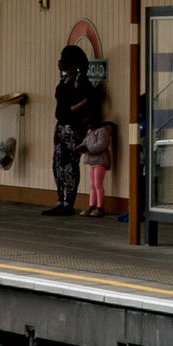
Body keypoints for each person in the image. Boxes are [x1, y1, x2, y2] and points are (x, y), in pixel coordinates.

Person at [43, 44, 102, 218]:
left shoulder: (80, 80)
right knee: (57, 164)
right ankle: (60, 200)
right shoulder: (64, 81)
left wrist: (73, 109)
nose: (59, 63)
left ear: (69, 63)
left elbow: (92, 97)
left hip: (73, 127)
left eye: (62, 60)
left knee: (69, 164)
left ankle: (69, 203)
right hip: (61, 125)